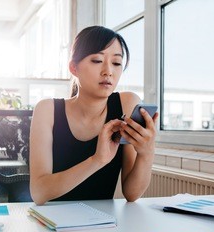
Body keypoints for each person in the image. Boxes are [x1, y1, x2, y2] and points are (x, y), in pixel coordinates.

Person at [29, 26, 158, 205]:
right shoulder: (47, 110)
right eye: (97, 60)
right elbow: (39, 192)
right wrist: (97, 160)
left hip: (103, 223)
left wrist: (147, 152)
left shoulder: (127, 104)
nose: (108, 71)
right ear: (74, 67)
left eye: (116, 63)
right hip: (51, 223)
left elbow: (132, 193)